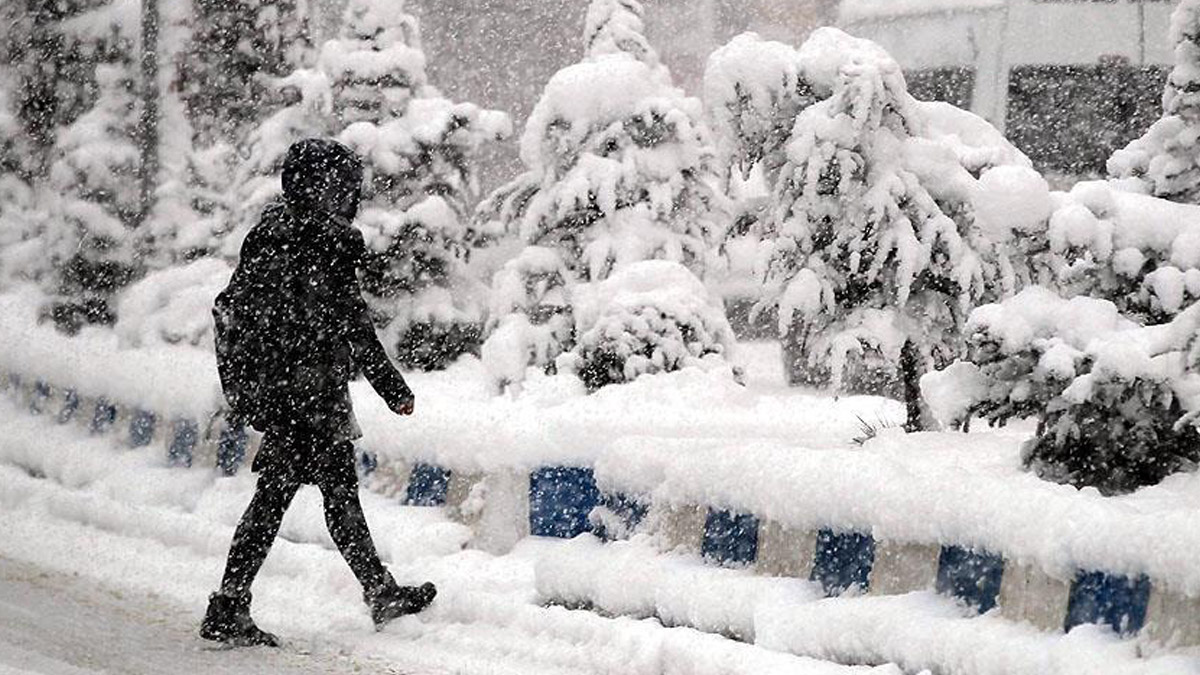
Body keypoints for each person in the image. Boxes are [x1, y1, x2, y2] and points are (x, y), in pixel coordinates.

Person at [201, 139, 436, 647]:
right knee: (294, 498)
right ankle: (230, 603)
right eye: (344, 188)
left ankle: (376, 591)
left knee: (320, 493)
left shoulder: (270, 235)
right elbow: (353, 324)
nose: (350, 197)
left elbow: (246, 311)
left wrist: (260, 383)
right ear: (323, 188)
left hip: (284, 391)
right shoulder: (322, 244)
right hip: (307, 395)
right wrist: (393, 387)